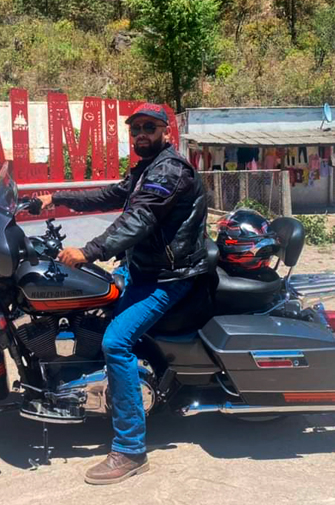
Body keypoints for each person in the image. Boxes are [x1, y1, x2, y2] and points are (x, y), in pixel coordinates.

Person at [35, 103, 208, 485]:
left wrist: (90, 251)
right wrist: (58, 198)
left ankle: (130, 449)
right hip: (143, 268)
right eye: (135, 129)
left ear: (166, 132)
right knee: (93, 312)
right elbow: (110, 195)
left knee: (116, 342)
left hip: (168, 278)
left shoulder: (169, 170)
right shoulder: (146, 168)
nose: (141, 134)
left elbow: (139, 219)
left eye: (149, 127)